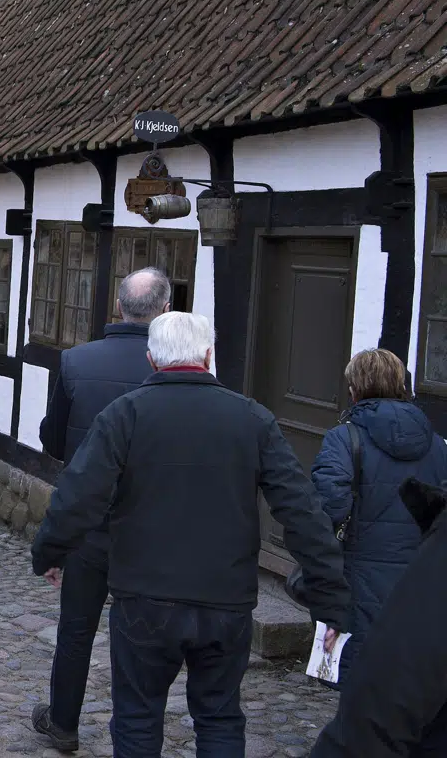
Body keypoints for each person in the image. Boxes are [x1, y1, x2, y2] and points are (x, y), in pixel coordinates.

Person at [32, 312, 351, 758]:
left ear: (151, 359)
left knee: (138, 716)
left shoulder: (124, 415)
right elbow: (302, 513)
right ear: (208, 354)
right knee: (219, 717)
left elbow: (76, 497)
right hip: (225, 600)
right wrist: (331, 599)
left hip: (145, 598)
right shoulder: (252, 419)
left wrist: (49, 552)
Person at [31, 268, 171, 751]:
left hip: (89, 524)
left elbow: (52, 439)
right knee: (141, 634)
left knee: (76, 628)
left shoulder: (77, 361)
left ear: (118, 307)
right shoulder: (171, 372)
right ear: (164, 311)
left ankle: (63, 722)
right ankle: (135, 730)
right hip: (149, 528)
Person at [310, 348, 447, 678]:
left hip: (359, 579)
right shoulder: (438, 445)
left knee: (360, 677)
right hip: (420, 580)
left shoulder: (344, 439)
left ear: (355, 389)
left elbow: (330, 507)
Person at [310, 478, 447, 758]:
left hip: (368, 567)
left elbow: (378, 715)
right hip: (406, 568)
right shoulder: (438, 447)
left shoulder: (345, 440)